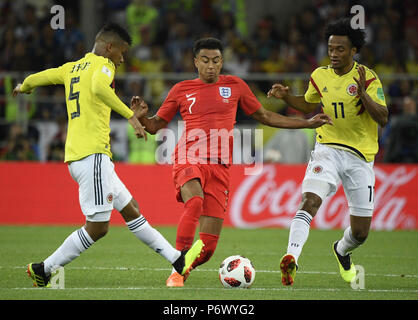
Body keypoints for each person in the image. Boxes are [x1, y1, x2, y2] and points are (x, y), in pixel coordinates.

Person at [12, 23, 203, 288]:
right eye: (122, 53)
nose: (122, 60)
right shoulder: (104, 66)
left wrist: (25, 86)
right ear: (109, 47)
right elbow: (99, 88)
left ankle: (177, 260)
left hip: (82, 156)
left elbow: (44, 76)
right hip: (92, 156)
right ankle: (44, 269)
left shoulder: (71, 68)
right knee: (98, 227)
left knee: (132, 210)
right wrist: (130, 117)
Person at [135, 37, 332, 287]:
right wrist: (142, 118)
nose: (210, 66)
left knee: (207, 248)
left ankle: (182, 271)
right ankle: (178, 265)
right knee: (194, 202)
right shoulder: (181, 89)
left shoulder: (235, 85)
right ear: (195, 61)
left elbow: (265, 116)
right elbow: (155, 125)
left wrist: (306, 122)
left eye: (216, 61)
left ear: (222, 62)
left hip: (220, 166)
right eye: (205, 60)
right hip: (188, 157)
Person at [267, 18, 388, 286]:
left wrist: (364, 95)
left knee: (360, 234)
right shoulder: (319, 75)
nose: (333, 54)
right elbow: (307, 104)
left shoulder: (368, 77)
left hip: (360, 158)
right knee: (309, 201)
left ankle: (341, 250)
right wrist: (287, 96)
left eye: (340, 49)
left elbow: (383, 118)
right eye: (331, 48)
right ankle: (291, 258)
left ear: (353, 51)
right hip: (327, 149)